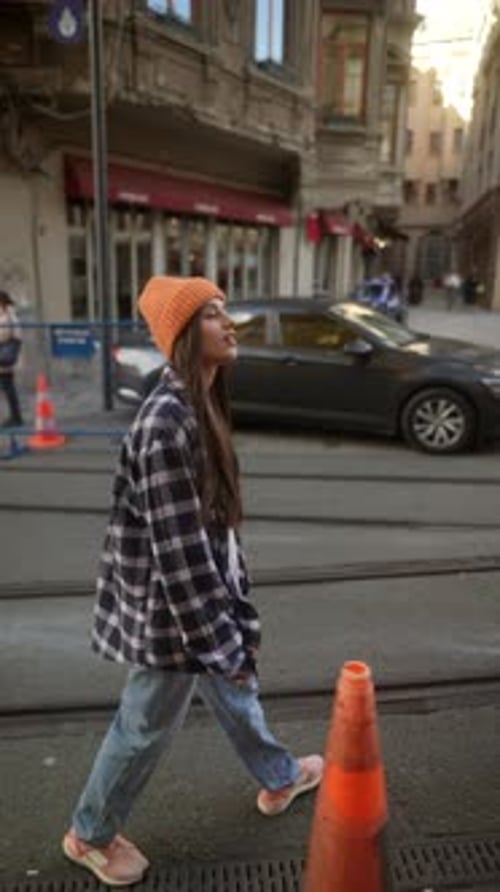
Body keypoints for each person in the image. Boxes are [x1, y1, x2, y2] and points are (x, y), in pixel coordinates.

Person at [62, 276, 323, 887]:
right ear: (182, 335)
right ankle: (89, 833)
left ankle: (279, 777)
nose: (229, 323)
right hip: (171, 613)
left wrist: (231, 619)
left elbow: (210, 532)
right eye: (212, 315)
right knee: (144, 724)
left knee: (233, 693)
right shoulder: (165, 424)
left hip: (199, 600)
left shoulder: (199, 403)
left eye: (225, 310)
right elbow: (178, 558)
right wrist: (222, 638)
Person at [0, 290, 23, 427]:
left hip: (5, 356)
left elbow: (7, 333)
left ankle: (16, 417)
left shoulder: (8, 315)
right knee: (7, 387)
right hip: (4, 355)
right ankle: (15, 416)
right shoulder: (5, 314)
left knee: (8, 387)